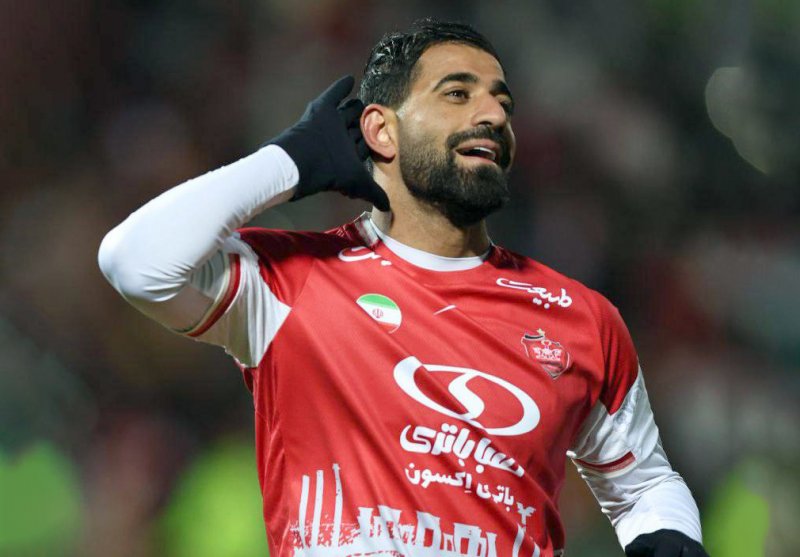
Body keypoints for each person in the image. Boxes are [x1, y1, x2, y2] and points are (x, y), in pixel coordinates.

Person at [98, 18, 709, 557]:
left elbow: (644, 485)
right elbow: (136, 263)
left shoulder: (581, 318)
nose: (493, 115)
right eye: (457, 94)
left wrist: (668, 534)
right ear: (380, 131)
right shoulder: (290, 281)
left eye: (502, 101)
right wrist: (288, 161)